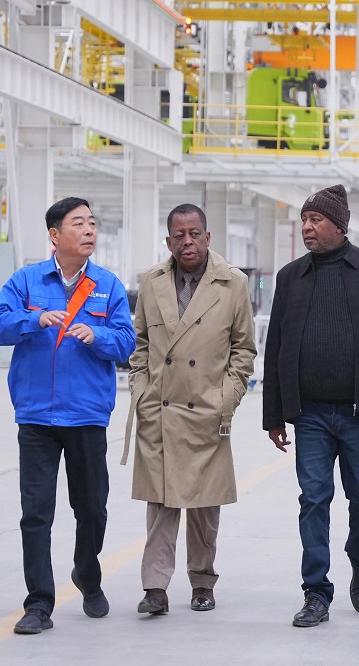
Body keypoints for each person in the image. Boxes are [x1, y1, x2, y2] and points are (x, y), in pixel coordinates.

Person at [262, 184, 359, 628]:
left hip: (358, 411)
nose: (307, 227)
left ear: (339, 225)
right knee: (313, 498)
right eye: (304, 220)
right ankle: (316, 591)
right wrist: (274, 414)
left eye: (316, 220)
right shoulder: (291, 277)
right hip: (309, 412)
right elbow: (275, 349)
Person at [0, 197, 135, 634]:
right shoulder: (26, 282)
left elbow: (127, 341)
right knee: (36, 513)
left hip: (87, 416)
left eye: (92, 223)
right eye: (78, 223)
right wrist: (33, 320)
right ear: (55, 235)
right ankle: (39, 603)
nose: (89, 230)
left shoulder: (107, 286)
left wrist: (98, 335)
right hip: (37, 417)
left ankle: (87, 574)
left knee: (92, 508)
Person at [122, 203, 256, 616]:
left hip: (207, 409)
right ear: (168, 241)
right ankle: (155, 588)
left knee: (203, 506)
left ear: (207, 237)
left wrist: (226, 398)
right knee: (160, 504)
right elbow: (141, 345)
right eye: (179, 235)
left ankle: (202, 582)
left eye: (194, 233)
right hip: (160, 409)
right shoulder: (151, 282)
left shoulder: (232, 283)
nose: (187, 242)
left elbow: (244, 349)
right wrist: (141, 392)